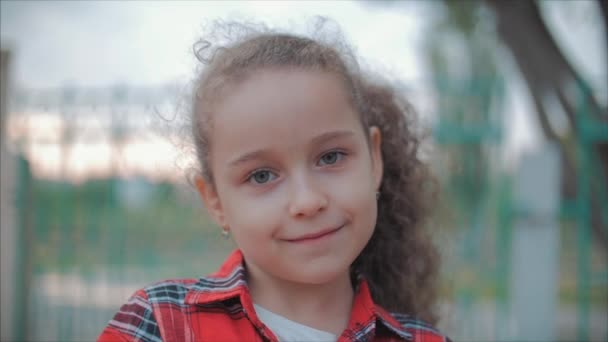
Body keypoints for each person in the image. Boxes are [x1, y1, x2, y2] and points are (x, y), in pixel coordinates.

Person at [99, 20, 450, 342]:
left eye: (331, 157)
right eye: (261, 175)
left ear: (374, 159)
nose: (307, 201)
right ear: (216, 202)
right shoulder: (161, 325)